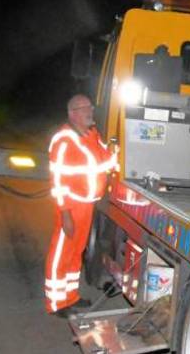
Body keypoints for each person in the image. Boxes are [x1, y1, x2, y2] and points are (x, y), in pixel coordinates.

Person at [44, 94, 115, 317]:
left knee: (76, 252)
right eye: (85, 108)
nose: (90, 111)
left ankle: (70, 297)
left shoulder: (92, 134)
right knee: (61, 253)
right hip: (71, 206)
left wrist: (119, 152)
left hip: (87, 205)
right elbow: (57, 180)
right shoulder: (64, 140)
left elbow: (106, 161)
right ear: (72, 113)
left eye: (90, 107)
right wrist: (65, 213)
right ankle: (56, 303)